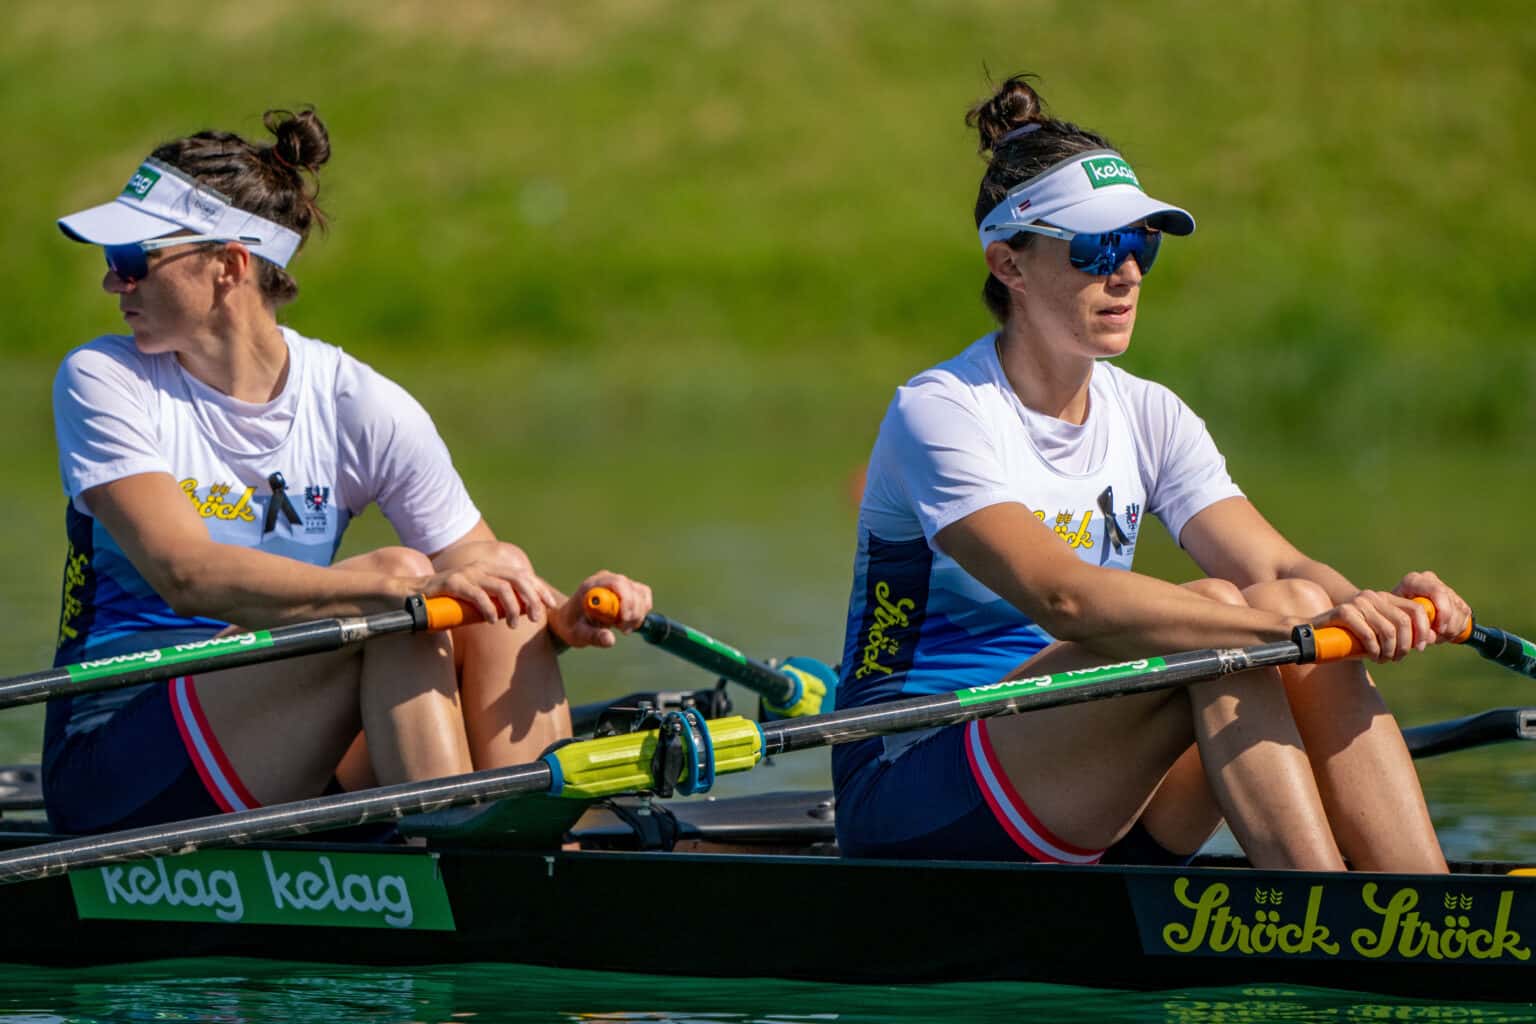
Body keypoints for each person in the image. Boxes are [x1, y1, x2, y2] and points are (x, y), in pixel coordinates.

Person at [832, 76, 1471, 872]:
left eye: (1141, 246)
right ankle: (1328, 917)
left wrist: (1369, 612)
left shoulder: (1150, 413)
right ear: (1010, 266)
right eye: (1097, 248)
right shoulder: (942, 411)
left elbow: (1274, 566)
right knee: (1217, 614)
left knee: (1294, 606)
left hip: (1095, 779)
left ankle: (1427, 901)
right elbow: (1064, 598)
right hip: (913, 787)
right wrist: (1289, 631)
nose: (1127, 273)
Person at [45, 107, 652, 835]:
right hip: (118, 760)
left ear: (229, 265)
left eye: (134, 258)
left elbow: (483, 585)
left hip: (288, 725)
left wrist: (562, 615)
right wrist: (408, 585)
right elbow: (188, 576)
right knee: (396, 585)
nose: (116, 284)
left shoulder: (356, 402)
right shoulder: (103, 378)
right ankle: (462, 844)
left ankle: (549, 842)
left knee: (501, 574)